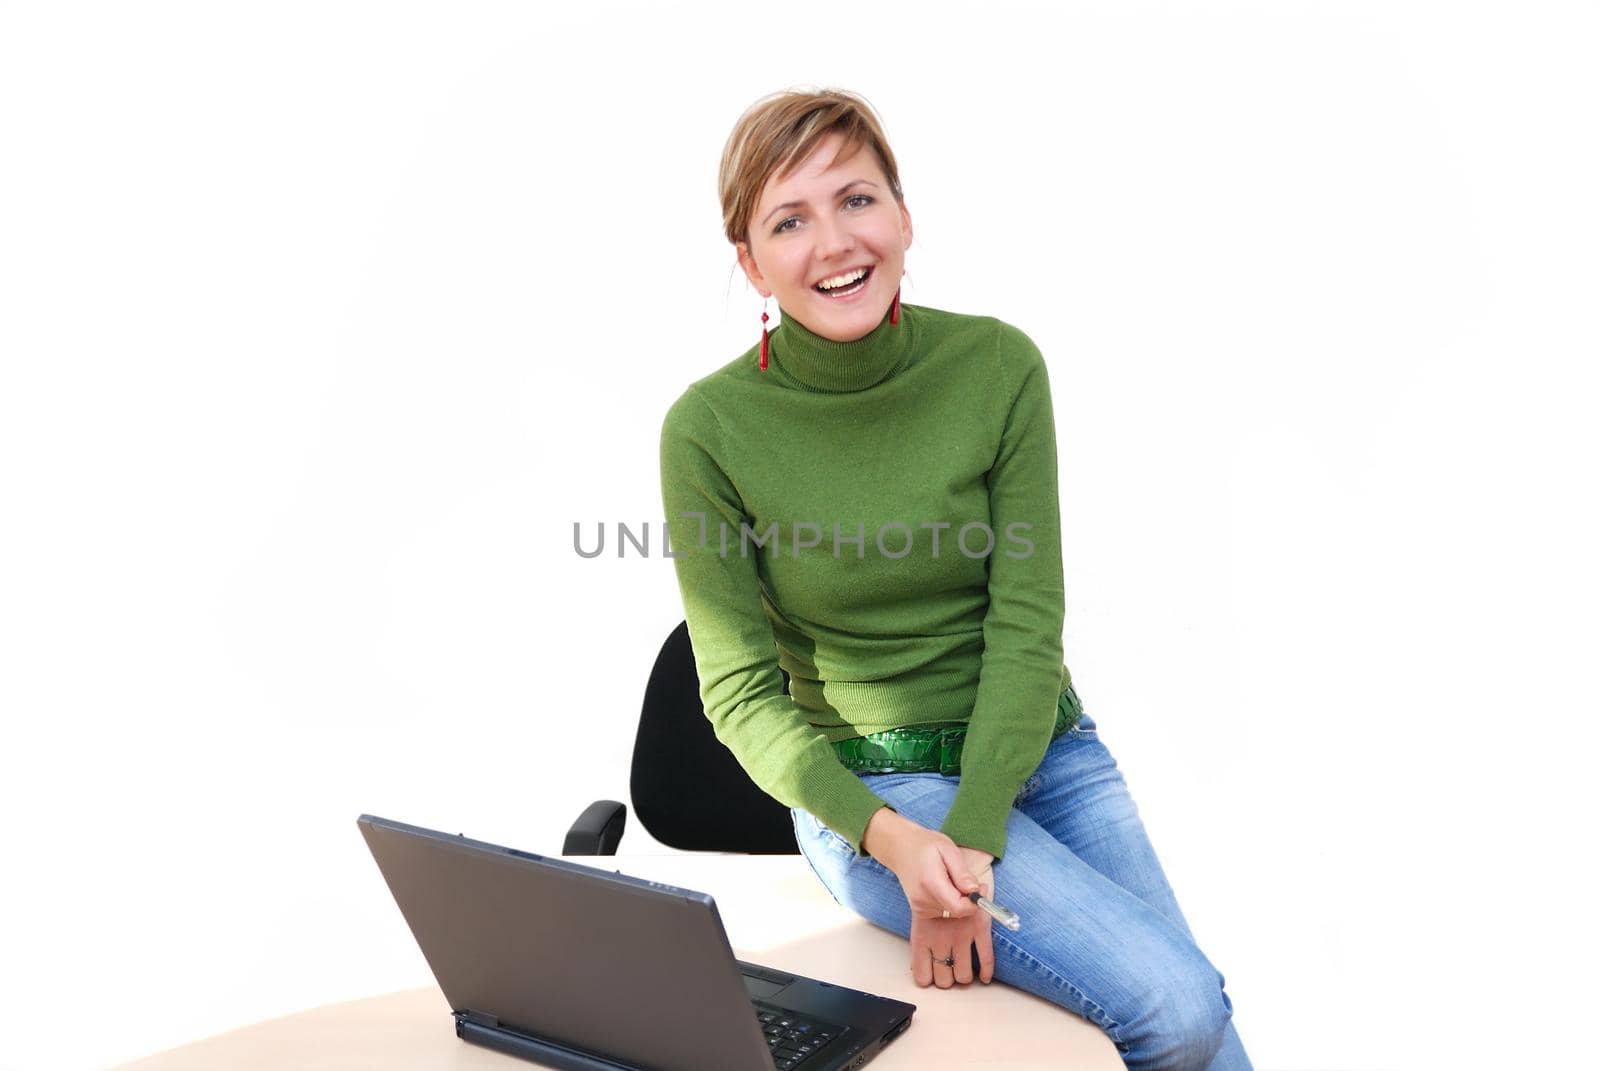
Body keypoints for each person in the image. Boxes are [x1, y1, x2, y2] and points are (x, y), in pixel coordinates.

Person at [659, 87, 1254, 1071]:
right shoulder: (710, 429)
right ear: (747, 261)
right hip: (874, 790)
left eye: (856, 200)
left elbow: (1026, 621)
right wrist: (898, 847)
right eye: (788, 220)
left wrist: (970, 850)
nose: (834, 242)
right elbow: (737, 693)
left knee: (1205, 1032)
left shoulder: (995, 367)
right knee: (1178, 1006)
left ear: (901, 213)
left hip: (1044, 753)